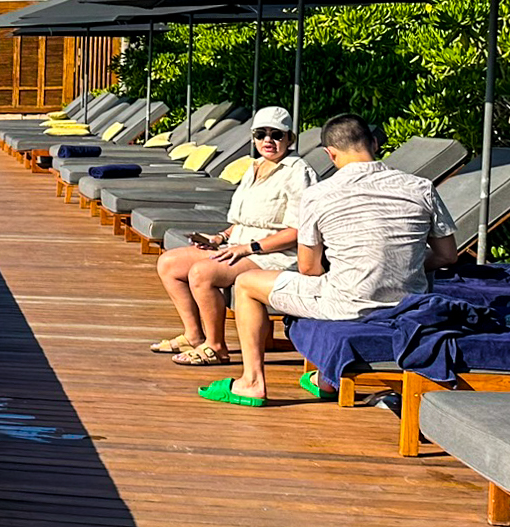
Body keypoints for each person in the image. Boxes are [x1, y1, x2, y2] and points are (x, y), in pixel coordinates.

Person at [200, 112, 459, 407]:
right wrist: (402, 266)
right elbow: (447, 255)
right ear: (374, 144)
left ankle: (252, 382)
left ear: (330, 154)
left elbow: (309, 268)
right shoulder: (421, 187)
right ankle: (325, 380)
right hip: (409, 302)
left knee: (246, 284)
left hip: (349, 303)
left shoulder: (320, 194)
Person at [150, 106, 312, 366]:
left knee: (203, 273)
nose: (267, 141)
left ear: (290, 138)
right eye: (261, 134)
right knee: (169, 264)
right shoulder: (255, 167)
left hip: (274, 255)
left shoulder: (296, 172)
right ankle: (193, 335)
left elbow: (299, 231)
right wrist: (218, 238)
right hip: (240, 246)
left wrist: (249, 248)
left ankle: (216, 346)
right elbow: (244, 220)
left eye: (276, 135)